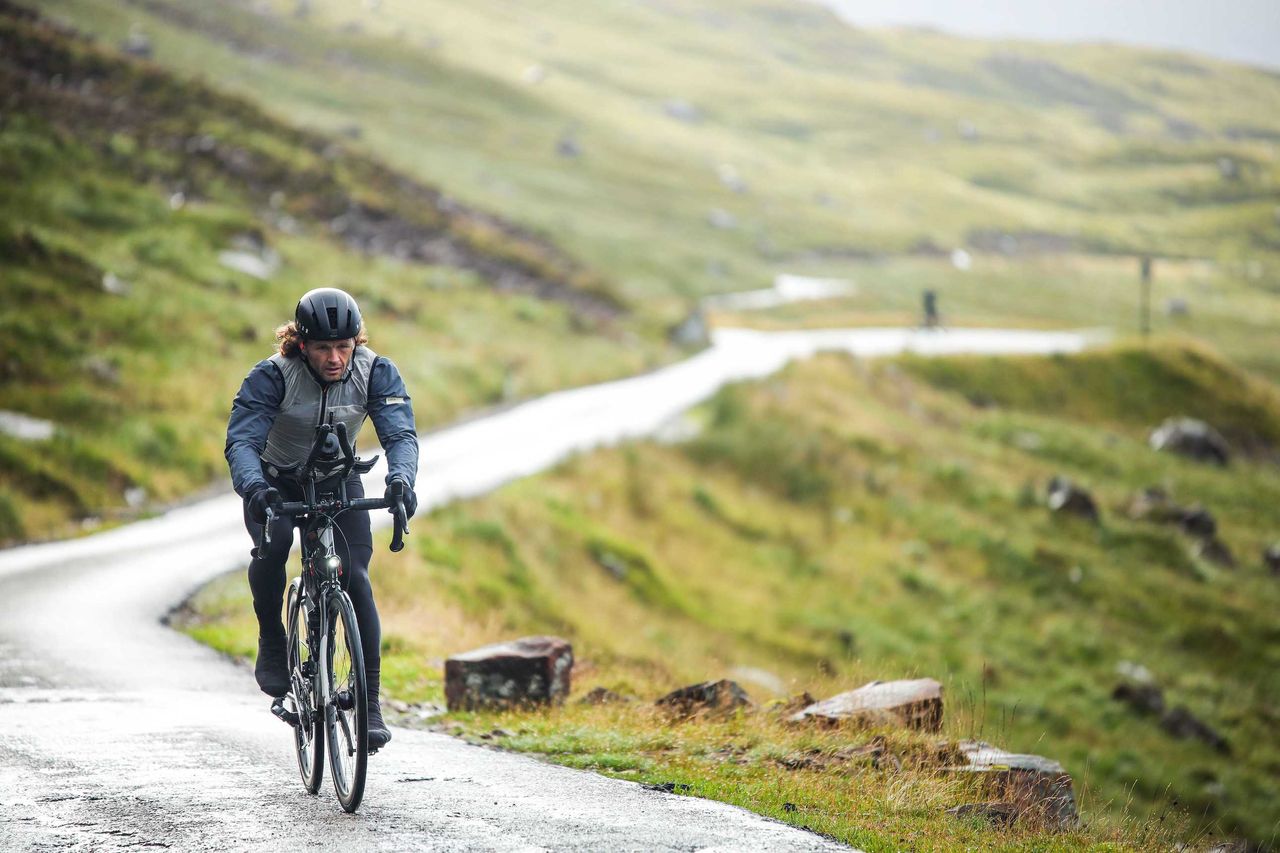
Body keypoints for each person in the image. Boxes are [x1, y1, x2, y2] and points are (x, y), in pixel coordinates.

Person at [224, 287, 419, 751]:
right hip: (276, 481)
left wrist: (401, 482)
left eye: (343, 347)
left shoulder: (376, 371)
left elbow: (400, 436)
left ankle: (370, 706)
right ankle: (273, 637)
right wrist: (256, 489)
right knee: (271, 549)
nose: (334, 358)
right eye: (322, 348)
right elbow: (242, 442)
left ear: (356, 342)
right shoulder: (272, 376)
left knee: (354, 575)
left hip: (337, 478)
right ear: (301, 345)